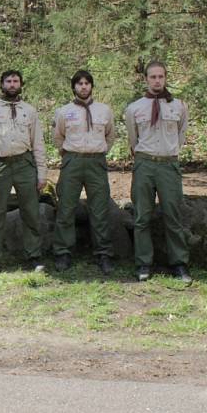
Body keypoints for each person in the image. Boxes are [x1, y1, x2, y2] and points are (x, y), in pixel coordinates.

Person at [125, 61, 190, 283]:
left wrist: (169, 153)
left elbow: (181, 136)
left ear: (165, 78)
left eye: (160, 76)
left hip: (169, 165)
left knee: (173, 215)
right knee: (142, 215)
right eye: (152, 77)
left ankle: (179, 263)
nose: (157, 80)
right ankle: (144, 263)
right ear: (146, 79)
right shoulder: (134, 108)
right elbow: (133, 140)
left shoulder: (179, 106)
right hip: (144, 164)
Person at [0, 70, 47, 275]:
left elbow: (38, 142)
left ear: (21, 84)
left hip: (24, 163)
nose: (12, 84)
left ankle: (34, 255)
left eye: (15, 81)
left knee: (31, 211)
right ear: (1, 84)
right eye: (8, 81)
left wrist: (42, 172)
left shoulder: (29, 111)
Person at [52, 70, 116, 274]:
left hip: (96, 162)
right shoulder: (64, 112)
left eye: (87, 83)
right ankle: (63, 252)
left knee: (100, 208)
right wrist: (68, 154)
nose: (83, 86)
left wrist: (99, 151)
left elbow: (110, 136)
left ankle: (103, 253)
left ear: (92, 86)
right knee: (66, 207)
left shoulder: (104, 111)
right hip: (72, 160)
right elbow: (58, 137)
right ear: (74, 87)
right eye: (79, 83)